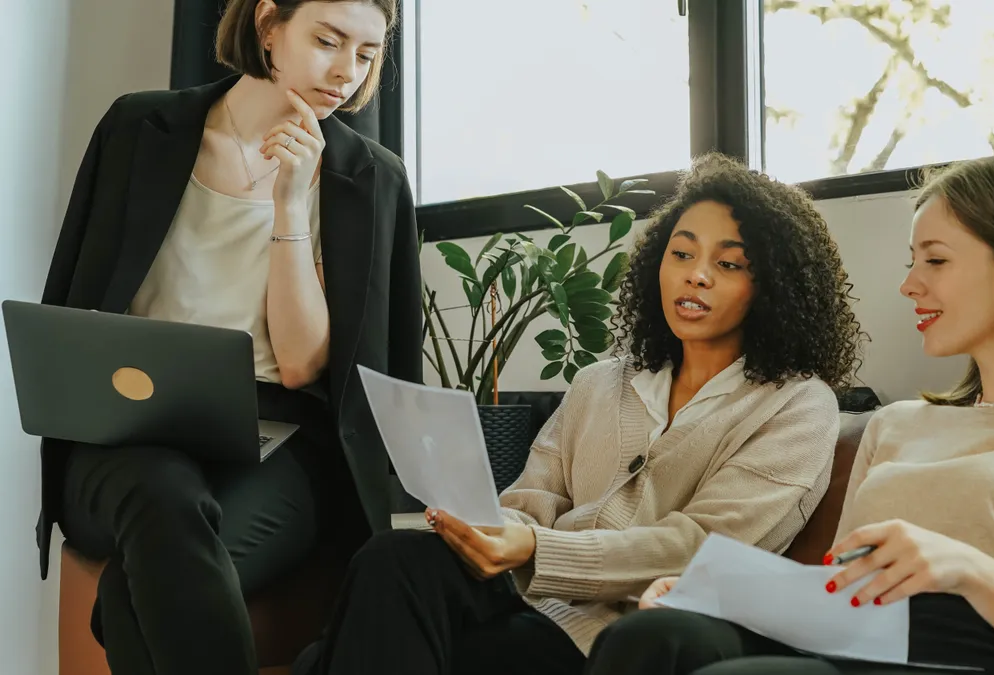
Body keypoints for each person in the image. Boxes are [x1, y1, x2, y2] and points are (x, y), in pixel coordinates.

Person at [586, 153, 994, 675]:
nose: (909, 285)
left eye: (936, 260)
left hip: (974, 656)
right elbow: (835, 598)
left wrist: (967, 569)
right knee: (650, 636)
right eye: (911, 260)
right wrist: (716, 591)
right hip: (855, 644)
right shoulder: (897, 425)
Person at [293, 153, 867, 675]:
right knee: (395, 556)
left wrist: (538, 550)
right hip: (523, 595)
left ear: (774, 287)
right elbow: (533, 500)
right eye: (683, 253)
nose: (697, 274)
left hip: (615, 631)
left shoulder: (796, 405)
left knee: (337, 655)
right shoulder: (600, 381)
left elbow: (700, 549)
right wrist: (493, 529)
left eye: (730, 264)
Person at [37, 1, 421, 674]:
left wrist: (291, 205)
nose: (345, 73)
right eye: (327, 41)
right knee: (162, 492)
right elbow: (76, 300)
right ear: (268, 25)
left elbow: (302, 365)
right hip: (126, 434)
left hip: (280, 443)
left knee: (137, 587)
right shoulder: (138, 129)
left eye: (366, 55)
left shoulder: (368, 179)